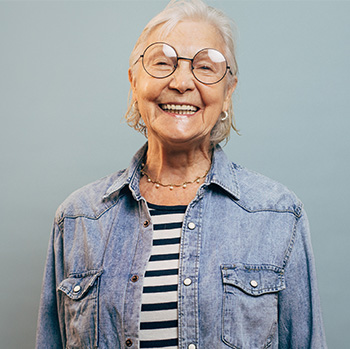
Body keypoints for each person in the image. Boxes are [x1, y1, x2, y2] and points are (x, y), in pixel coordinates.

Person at [36, 0, 327, 348]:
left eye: (205, 67)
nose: (182, 82)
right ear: (134, 81)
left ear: (228, 91)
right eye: (162, 63)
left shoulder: (278, 215)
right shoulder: (78, 219)